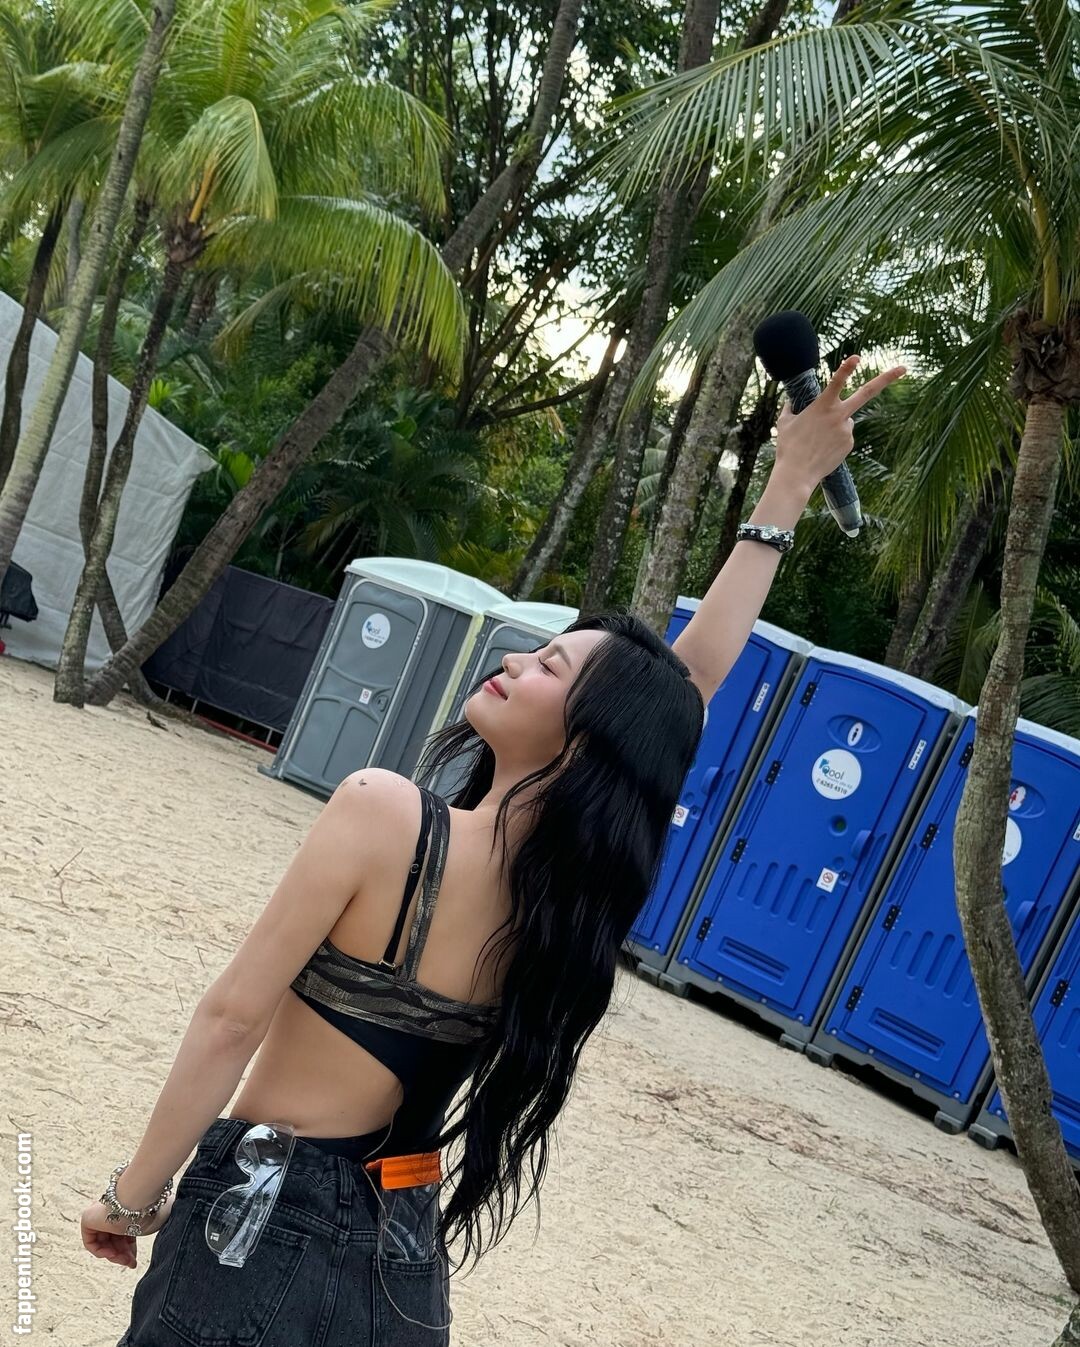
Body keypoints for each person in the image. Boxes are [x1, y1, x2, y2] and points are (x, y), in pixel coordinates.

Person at [83, 353, 905, 1345]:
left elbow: (231, 1018)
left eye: (547, 664)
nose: (515, 660)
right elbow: (682, 690)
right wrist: (787, 487)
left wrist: (132, 1197)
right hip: (402, 1249)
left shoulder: (386, 815)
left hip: (263, 1207)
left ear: (586, 739)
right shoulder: (566, 898)